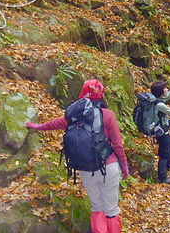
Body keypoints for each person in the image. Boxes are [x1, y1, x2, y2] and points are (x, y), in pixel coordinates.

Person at [26, 79, 129, 233]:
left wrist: (37, 126)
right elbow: (118, 144)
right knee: (111, 209)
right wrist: (125, 167)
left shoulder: (75, 114)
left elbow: (55, 124)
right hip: (109, 167)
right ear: (101, 94)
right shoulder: (107, 114)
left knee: (97, 207)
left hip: (86, 168)